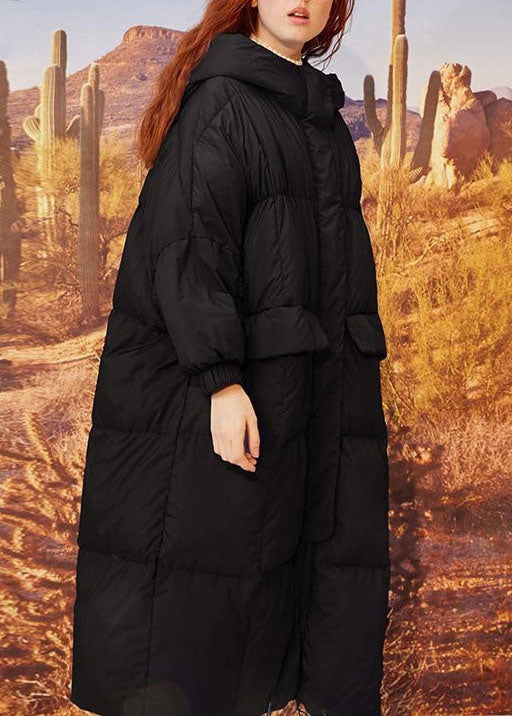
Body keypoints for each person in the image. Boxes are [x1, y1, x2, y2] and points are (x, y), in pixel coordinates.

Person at [70, 1, 391, 715]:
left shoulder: (320, 119)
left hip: (311, 391)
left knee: (275, 588)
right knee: (205, 597)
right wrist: (220, 382)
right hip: (237, 389)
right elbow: (187, 250)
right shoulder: (223, 103)